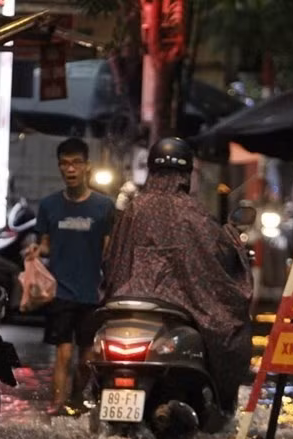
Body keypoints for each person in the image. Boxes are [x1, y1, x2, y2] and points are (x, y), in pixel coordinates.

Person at [103, 137, 253, 413]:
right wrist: (236, 248)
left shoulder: (134, 209)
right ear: (185, 174)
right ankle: (221, 405)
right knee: (231, 333)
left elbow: (113, 259)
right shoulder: (192, 213)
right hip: (182, 302)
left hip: (128, 300)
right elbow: (216, 256)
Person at [26, 137, 114, 416]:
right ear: (59, 168)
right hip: (60, 292)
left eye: (76, 163)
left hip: (91, 293)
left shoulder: (104, 207)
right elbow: (46, 245)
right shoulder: (50, 205)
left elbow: (109, 251)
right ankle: (56, 408)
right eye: (64, 163)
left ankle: (76, 400)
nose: (70, 169)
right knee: (62, 354)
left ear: (87, 166)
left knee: (86, 358)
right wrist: (35, 250)